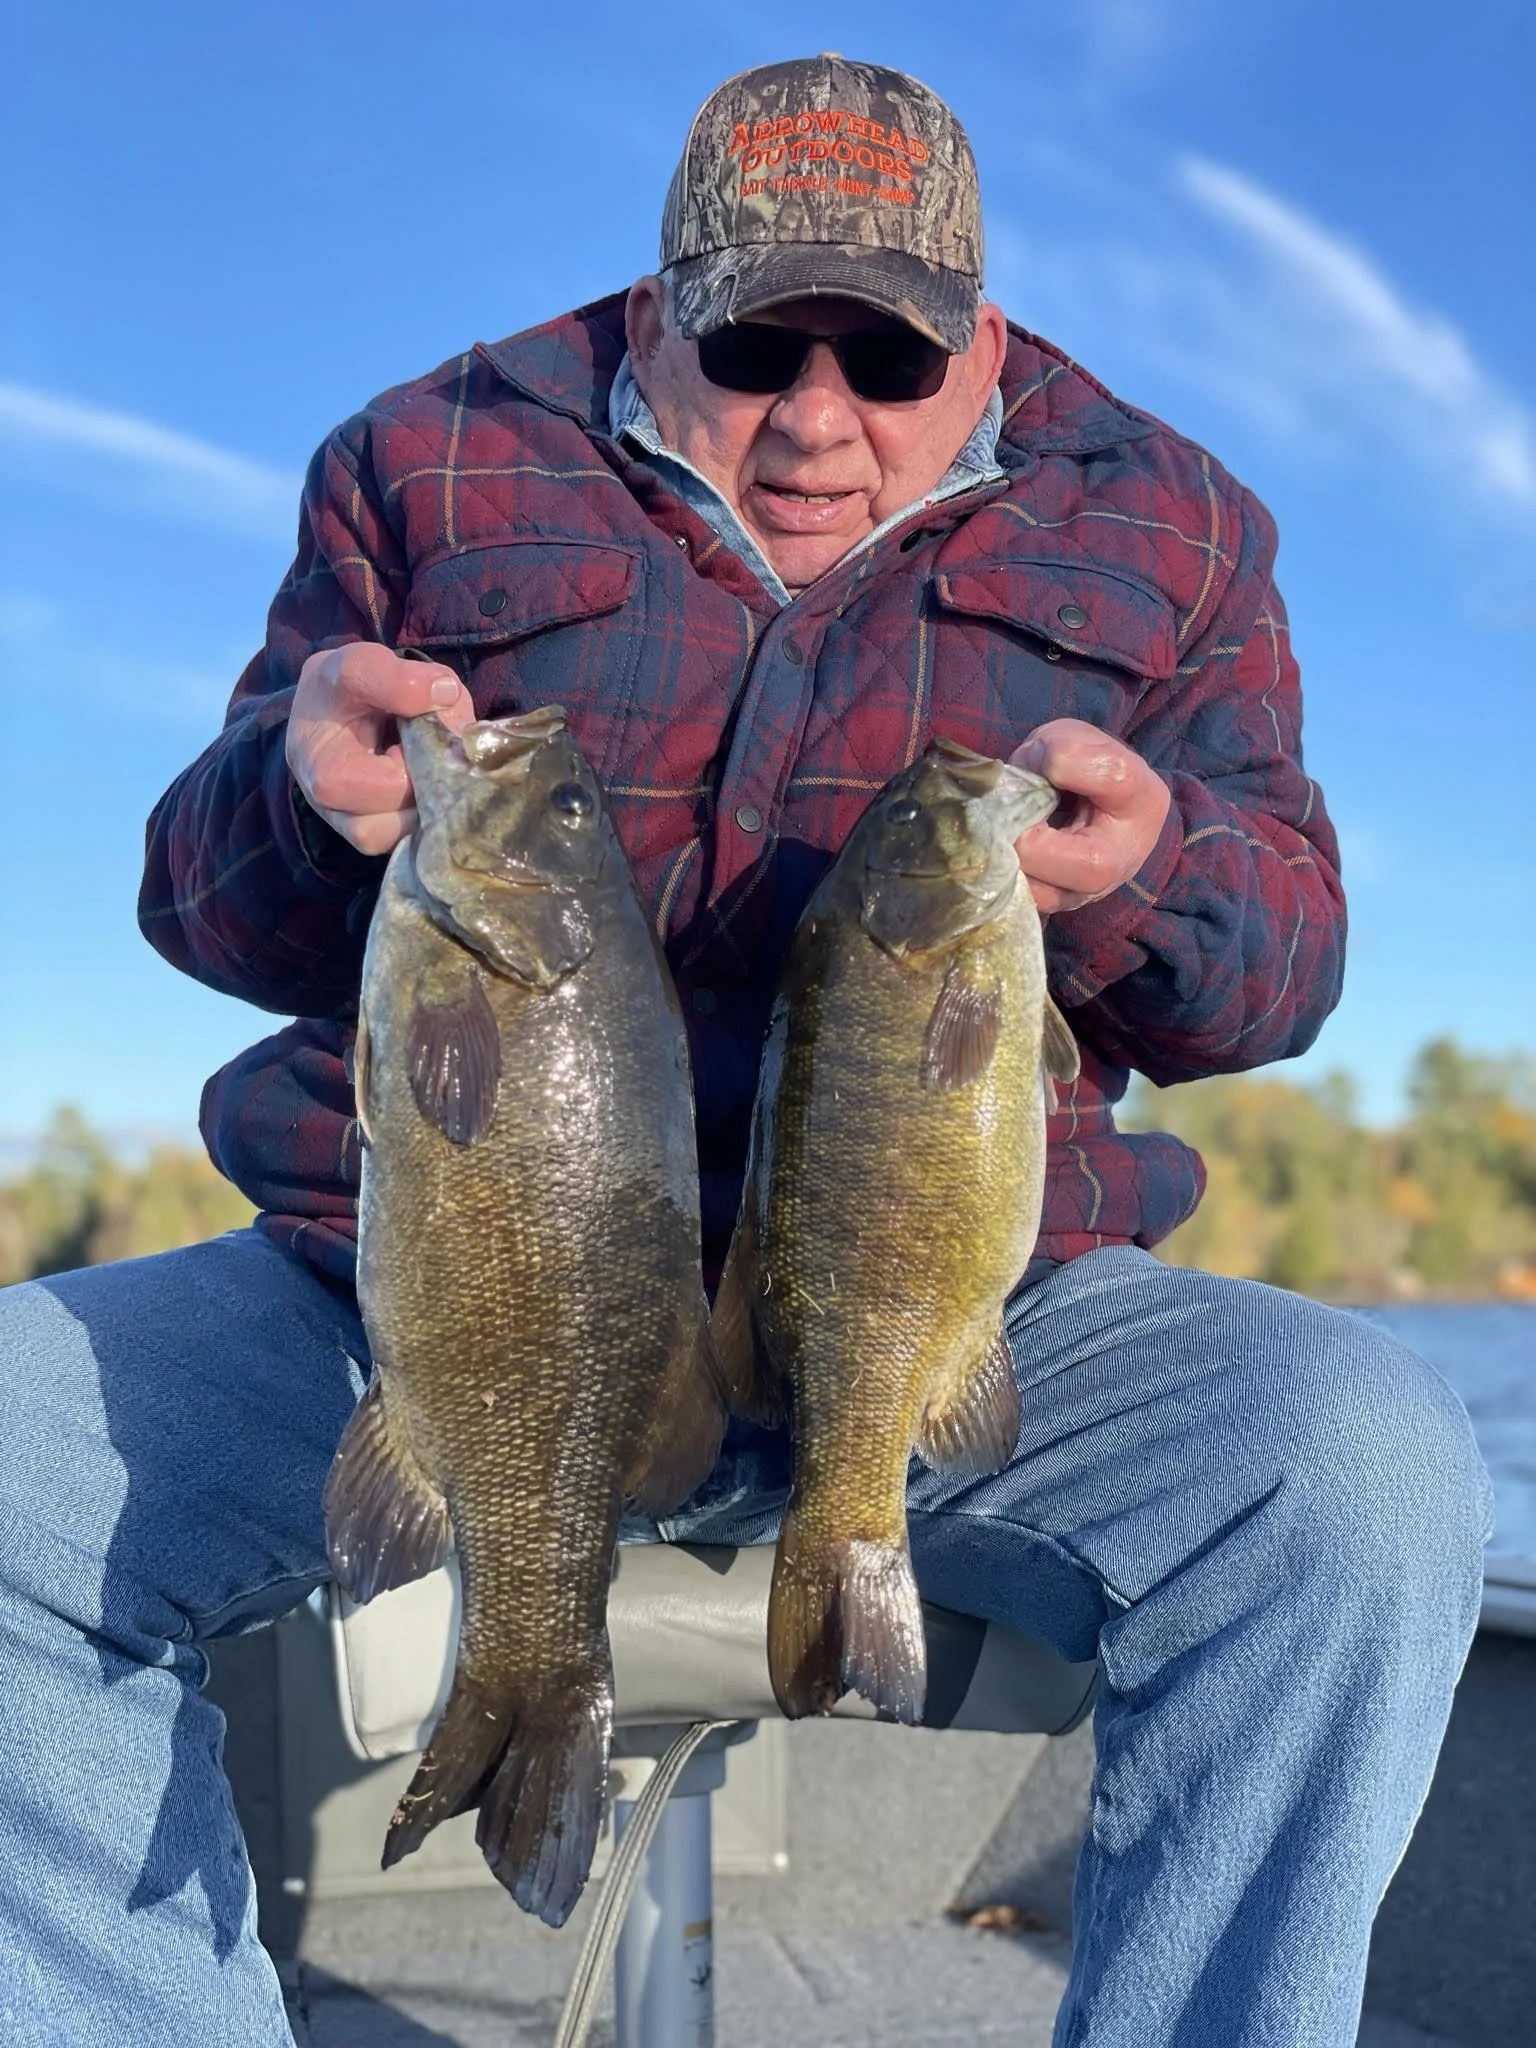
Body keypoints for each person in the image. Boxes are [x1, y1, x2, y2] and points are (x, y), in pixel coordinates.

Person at [0, 54, 1491, 2048]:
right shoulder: (427, 458)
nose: (812, 415)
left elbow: (1278, 973)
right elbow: (199, 908)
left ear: (980, 334)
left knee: (1362, 1476)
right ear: (661, 292)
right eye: (751, 337)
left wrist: (1147, 883)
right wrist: (294, 792)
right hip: (447, 1303)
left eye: (883, 354)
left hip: (954, 1313)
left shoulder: (1176, 522)